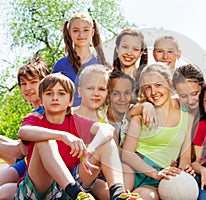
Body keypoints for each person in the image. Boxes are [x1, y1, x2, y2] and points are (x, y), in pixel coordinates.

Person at [15, 73, 131, 200]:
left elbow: (107, 129)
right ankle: (76, 194)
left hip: (68, 189)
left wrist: (91, 149)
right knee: (46, 141)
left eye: (61, 93)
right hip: (39, 189)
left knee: (107, 142)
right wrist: (63, 136)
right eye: (49, 93)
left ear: (71, 101)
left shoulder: (75, 121)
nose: (55, 98)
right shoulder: (35, 119)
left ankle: (119, 194)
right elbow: (23, 132)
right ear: (41, 100)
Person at [122, 63, 194, 200]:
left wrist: (184, 168)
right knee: (117, 193)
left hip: (158, 178)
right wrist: (154, 173)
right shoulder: (140, 115)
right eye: (148, 88)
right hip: (132, 169)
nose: (153, 92)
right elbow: (127, 154)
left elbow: (185, 157)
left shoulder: (187, 118)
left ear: (170, 84)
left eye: (158, 85)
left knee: (145, 197)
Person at [0, 55, 50, 199]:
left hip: (36, 168)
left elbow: (19, 152)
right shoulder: (33, 113)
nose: (27, 88)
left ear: (44, 82)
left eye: (33, 82)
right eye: (23, 84)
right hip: (24, 163)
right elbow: (22, 146)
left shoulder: (47, 110)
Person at [52, 12, 108, 106]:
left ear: (92, 32)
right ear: (69, 33)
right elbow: (52, 95)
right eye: (75, 30)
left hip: (95, 116)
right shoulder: (61, 65)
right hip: (68, 117)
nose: (81, 34)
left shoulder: (102, 63)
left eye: (86, 30)